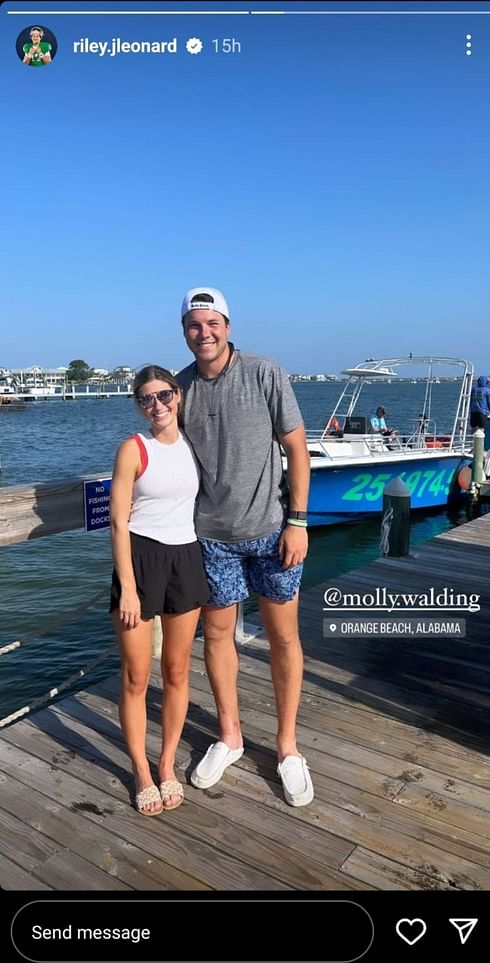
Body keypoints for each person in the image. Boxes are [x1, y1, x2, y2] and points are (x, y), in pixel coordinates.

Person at [176, 287, 314, 807]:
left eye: (212, 323)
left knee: (283, 637)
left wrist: (298, 521)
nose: (203, 333)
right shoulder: (180, 387)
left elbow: (297, 448)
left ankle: (286, 747)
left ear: (228, 326)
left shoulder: (264, 372)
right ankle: (229, 736)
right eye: (194, 325)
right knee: (216, 638)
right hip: (211, 537)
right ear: (184, 331)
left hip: (273, 531)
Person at [109, 364, 210, 816]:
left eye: (164, 395)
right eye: (147, 399)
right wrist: (128, 589)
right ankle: (141, 770)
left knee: (177, 671)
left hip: (186, 558)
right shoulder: (133, 449)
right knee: (135, 676)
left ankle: (166, 762)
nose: (158, 405)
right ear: (138, 404)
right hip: (142, 560)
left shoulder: (194, 444)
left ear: (178, 395)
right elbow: (117, 522)